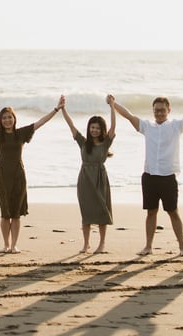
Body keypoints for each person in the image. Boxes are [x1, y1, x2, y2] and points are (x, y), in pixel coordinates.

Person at [0, 93, 65, 254]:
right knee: (5, 214)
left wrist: (56, 109)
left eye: (9, 117)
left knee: (16, 214)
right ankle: (5, 244)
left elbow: (41, 122)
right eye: (4, 118)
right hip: (2, 177)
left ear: (14, 119)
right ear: (1, 120)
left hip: (18, 176)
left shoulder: (21, 133)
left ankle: (14, 245)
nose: (7, 120)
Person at [111, 93, 183, 257]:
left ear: (168, 110)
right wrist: (113, 103)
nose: (159, 113)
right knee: (151, 212)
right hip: (149, 176)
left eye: (162, 110)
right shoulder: (147, 126)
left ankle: (182, 247)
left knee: (173, 212)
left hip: (168, 176)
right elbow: (128, 116)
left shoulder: (176, 126)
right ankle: (148, 247)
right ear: (152, 111)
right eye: (156, 110)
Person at [60, 96, 116, 254]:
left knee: (102, 212)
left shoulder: (106, 143)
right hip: (85, 179)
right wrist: (63, 108)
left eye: (97, 128)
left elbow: (113, 126)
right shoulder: (83, 142)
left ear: (101, 130)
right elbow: (71, 125)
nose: (94, 130)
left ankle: (102, 244)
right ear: (89, 128)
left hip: (100, 178)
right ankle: (86, 244)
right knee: (86, 213)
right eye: (92, 127)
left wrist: (112, 106)